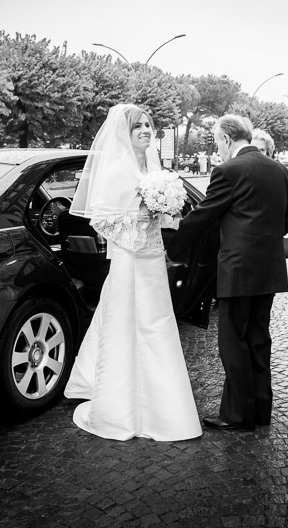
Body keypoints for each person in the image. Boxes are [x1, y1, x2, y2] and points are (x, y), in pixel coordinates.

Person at [64, 103, 202, 442]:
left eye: (148, 126)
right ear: (124, 134)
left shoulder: (154, 169)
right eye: (137, 126)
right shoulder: (115, 171)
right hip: (129, 261)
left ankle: (166, 406)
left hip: (153, 260)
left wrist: (164, 211)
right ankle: (119, 407)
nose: (144, 131)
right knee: (126, 328)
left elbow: (166, 219)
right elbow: (101, 221)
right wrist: (140, 214)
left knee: (158, 327)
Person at [166, 114, 288, 431]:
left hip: (238, 270)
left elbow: (203, 215)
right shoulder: (279, 170)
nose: (217, 148)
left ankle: (237, 415)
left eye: (216, 141)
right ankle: (260, 410)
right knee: (258, 339)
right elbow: (285, 223)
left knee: (232, 342)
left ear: (225, 138)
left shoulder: (228, 171)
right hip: (269, 271)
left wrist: (173, 247)